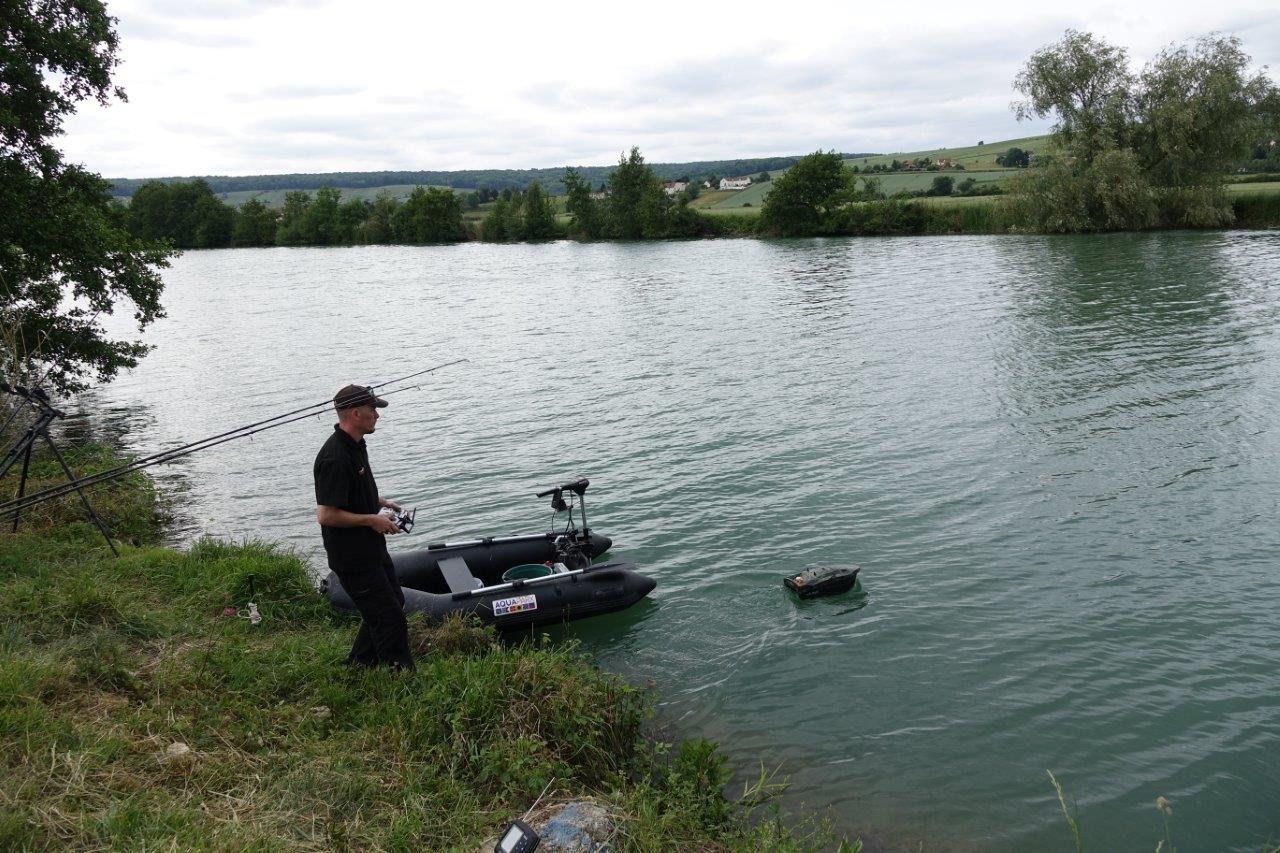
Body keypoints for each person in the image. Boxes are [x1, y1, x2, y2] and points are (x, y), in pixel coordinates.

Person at [313, 384, 414, 670]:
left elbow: (353, 493)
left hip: (370, 548)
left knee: (394, 600)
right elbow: (327, 515)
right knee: (389, 618)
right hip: (352, 556)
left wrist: (384, 504)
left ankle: (359, 664)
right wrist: (372, 519)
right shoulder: (334, 457)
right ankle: (399, 676)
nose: (377, 416)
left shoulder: (356, 445)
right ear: (355, 414)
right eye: (373, 411)